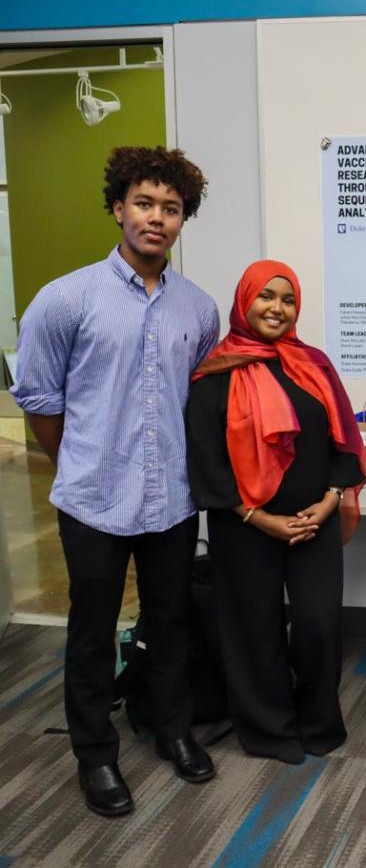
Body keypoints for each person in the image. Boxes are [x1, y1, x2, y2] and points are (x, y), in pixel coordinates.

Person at [12, 146, 220, 816]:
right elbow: (41, 401)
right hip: (95, 499)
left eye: (171, 208)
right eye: (144, 203)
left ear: (183, 219)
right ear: (117, 207)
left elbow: (199, 400)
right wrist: (79, 461)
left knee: (170, 620)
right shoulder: (65, 299)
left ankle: (173, 728)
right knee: (92, 629)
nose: (157, 218)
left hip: (173, 498)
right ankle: (96, 754)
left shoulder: (199, 308)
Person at [187, 260, 366, 765]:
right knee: (254, 630)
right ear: (245, 301)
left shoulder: (314, 365)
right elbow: (206, 461)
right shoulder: (213, 375)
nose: (277, 308)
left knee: (317, 624)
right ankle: (269, 730)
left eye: (287, 299)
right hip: (244, 524)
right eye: (266, 296)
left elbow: (344, 444)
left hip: (316, 520)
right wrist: (258, 517)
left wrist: (330, 500)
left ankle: (317, 722)